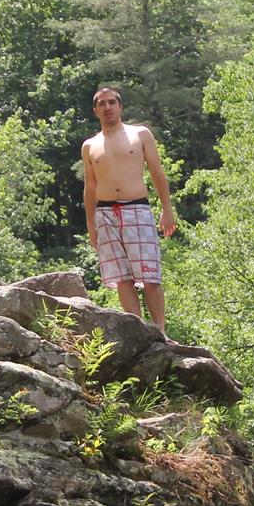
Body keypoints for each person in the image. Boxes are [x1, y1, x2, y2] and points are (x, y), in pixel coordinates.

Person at [81, 85, 178, 327]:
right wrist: (91, 226)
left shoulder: (140, 134)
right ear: (95, 111)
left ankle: (160, 331)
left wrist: (167, 209)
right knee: (122, 278)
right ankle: (139, 331)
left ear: (120, 106)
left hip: (137, 209)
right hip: (105, 213)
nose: (107, 107)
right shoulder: (90, 145)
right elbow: (90, 187)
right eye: (102, 104)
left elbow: (157, 172)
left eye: (112, 102)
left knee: (150, 275)